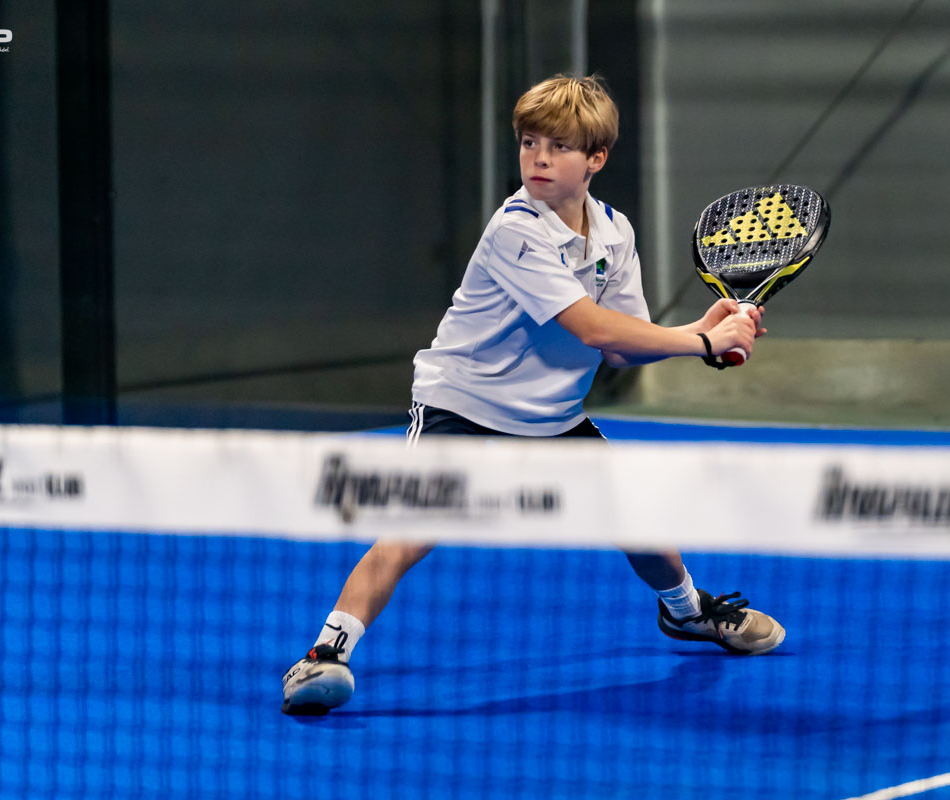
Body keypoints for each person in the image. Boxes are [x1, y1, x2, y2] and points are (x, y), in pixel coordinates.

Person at [282, 75, 784, 716]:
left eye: (559, 147)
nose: (539, 159)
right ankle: (324, 655)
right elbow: (592, 328)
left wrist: (698, 332)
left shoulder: (615, 233)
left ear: (596, 158)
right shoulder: (514, 230)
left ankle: (687, 613)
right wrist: (705, 343)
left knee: (639, 518)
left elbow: (623, 348)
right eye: (528, 143)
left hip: (551, 417)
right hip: (463, 405)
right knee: (412, 529)